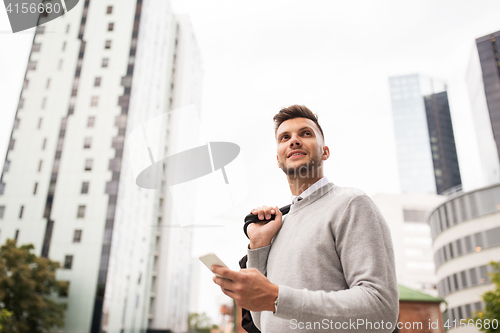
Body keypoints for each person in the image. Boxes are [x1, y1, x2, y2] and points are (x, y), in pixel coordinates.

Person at [212, 105, 399, 332]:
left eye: (306, 133)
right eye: (285, 137)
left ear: (325, 152)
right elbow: (263, 323)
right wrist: (259, 245)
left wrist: (276, 297)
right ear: (278, 160)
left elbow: (381, 311)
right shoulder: (276, 227)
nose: (294, 141)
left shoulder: (351, 203)